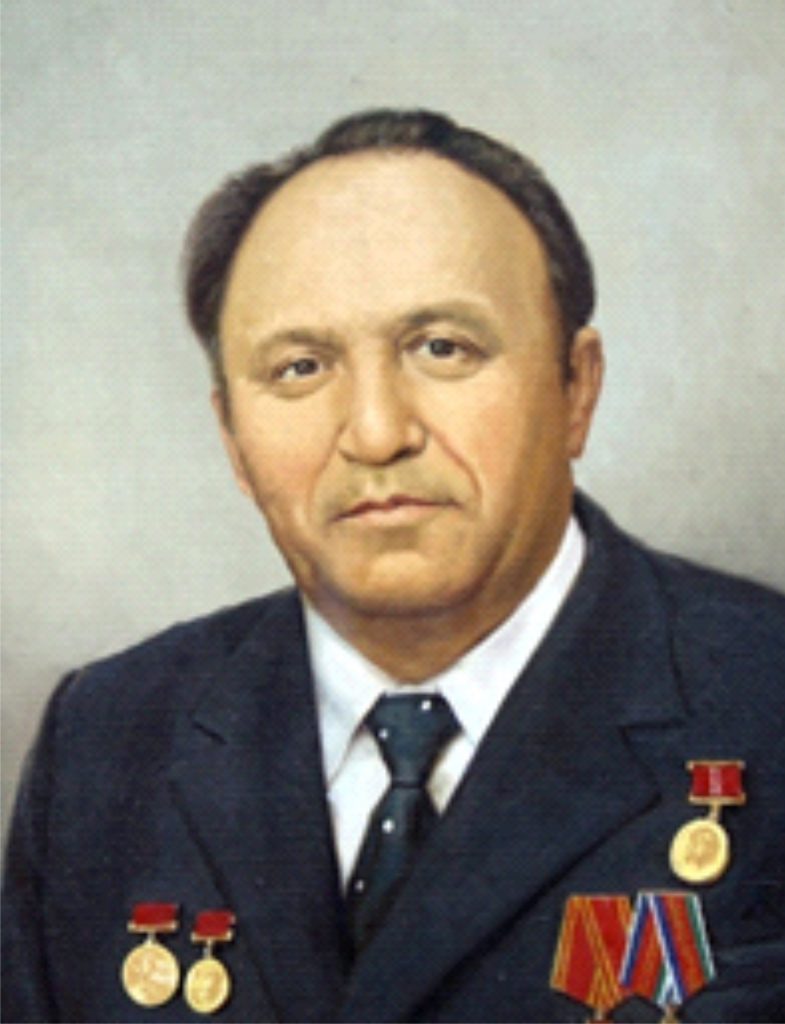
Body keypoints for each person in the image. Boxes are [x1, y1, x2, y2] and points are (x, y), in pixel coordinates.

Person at [3, 109, 784, 1023]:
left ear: (575, 388)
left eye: (442, 349)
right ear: (233, 438)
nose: (376, 433)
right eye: (299, 367)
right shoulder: (109, 739)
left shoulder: (763, 695)